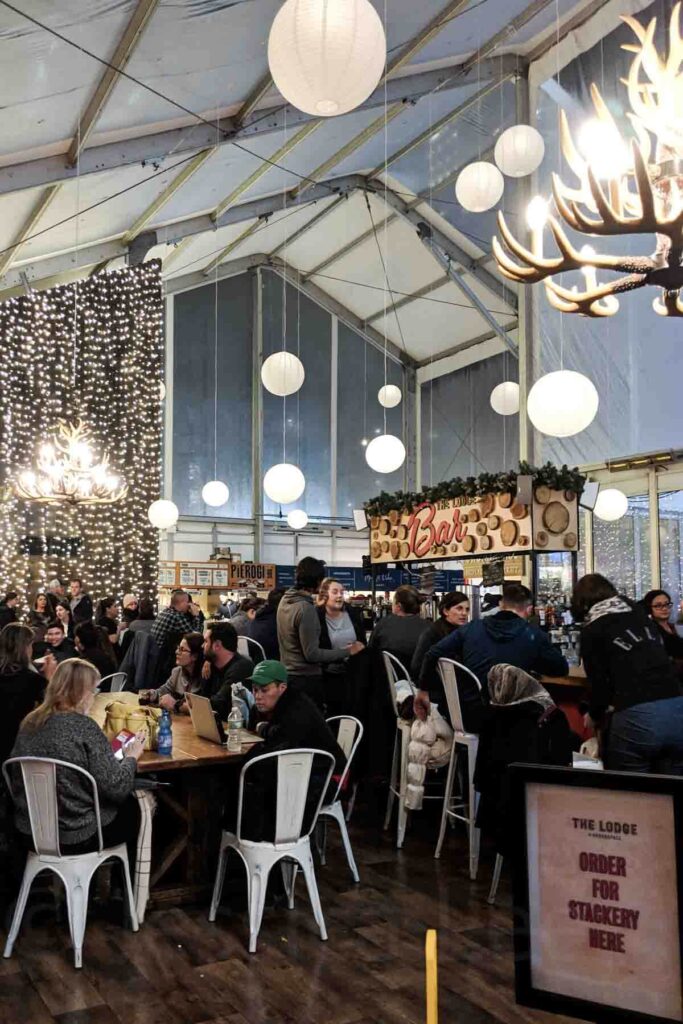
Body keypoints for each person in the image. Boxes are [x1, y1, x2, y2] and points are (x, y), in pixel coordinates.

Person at [8, 659, 145, 858]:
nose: (94, 698)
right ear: (80, 692)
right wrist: (131, 757)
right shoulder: (84, 727)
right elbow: (117, 788)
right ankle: (122, 885)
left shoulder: (29, 722)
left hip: (29, 830)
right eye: (94, 691)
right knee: (137, 808)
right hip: (77, 835)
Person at [415, 583, 568, 732]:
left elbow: (432, 653)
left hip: (470, 715)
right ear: (529, 610)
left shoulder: (471, 628)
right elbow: (561, 669)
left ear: (501, 605)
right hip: (516, 719)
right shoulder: (533, 635)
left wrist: (423, 690)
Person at [572, 574, 683, 773]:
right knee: (672, 791)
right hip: (677, 706)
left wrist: (593, 714)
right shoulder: (640, 615)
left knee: (633, 791)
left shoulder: (592, 629)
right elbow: (673, 647)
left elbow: (600, 686)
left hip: (636, 714)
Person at [231, 660, 346, 843]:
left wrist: (263, 730)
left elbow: (281, 743)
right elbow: (274, 734)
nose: (258, 696)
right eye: (255, 689)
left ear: (282, 687)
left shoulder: (297, 709)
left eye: (264, 690)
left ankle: (258, 843)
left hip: (327, 778)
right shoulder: (282, 703)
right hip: (304, 767)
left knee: (251, 780)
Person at [474, 664, 572, 855]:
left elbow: (482, 777)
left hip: (496, 812)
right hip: (538, 811)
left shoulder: (491, 715)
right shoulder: (551, 717)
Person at [277, 556, 363, 708]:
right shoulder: (305, 608)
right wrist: (348, 651)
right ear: (318, 581)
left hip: (289, 675)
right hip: (306, 680)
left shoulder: (286, 600)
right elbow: (312, 654)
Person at [317, 578, 367, 718]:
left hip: (353, 673)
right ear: (325, 595)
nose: (339, 595)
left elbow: (363, 642)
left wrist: (360, 647)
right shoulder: (316, 616)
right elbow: (315, 650)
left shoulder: (352, 613)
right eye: (335, 592)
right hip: (329, 676)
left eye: (341, 592)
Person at [0, 623, 45, 765]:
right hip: (19, 750)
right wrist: (50, 680)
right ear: (25, 647)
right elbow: (53, 709)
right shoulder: (32, 680)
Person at [368, 585, 430, 672]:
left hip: (388, 680)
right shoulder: (429, 627)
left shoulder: (384, 624)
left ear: (398, 606)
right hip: (421, 681)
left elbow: (371, 652)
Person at [410, 591, 470, 681]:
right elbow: (417, 668)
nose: (464, 613)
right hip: (437, 688)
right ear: (446, 611)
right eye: (459, 608)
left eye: (467, 609)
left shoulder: (461, 631)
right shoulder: (432, 633)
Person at [202, 621, 253, 719]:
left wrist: (191, 706)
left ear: (217, 645)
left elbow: (219, 703)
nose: (202, 646)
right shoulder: (210, 665)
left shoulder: (242, 668)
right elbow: (202, 696)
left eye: (206, 642)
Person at [144, 632, 204, 712]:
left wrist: (175, 704)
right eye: (178, 648)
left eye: (182, 649)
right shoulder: (177, 672)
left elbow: (200, 708)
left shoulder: (204, 677)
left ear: (195, 656)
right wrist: (152, 694)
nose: (176, 652)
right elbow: (163, 690)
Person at [642, 589, 683, 673]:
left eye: (667, 604)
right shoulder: (651, 631)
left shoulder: (672, 626)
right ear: (649, 608)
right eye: (658, 605)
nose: (664, 608)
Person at [245, 588, 283, 660]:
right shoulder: (276, 620)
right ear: (282, 604)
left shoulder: (258, 617)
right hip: (273, 664)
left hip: (255, 662)